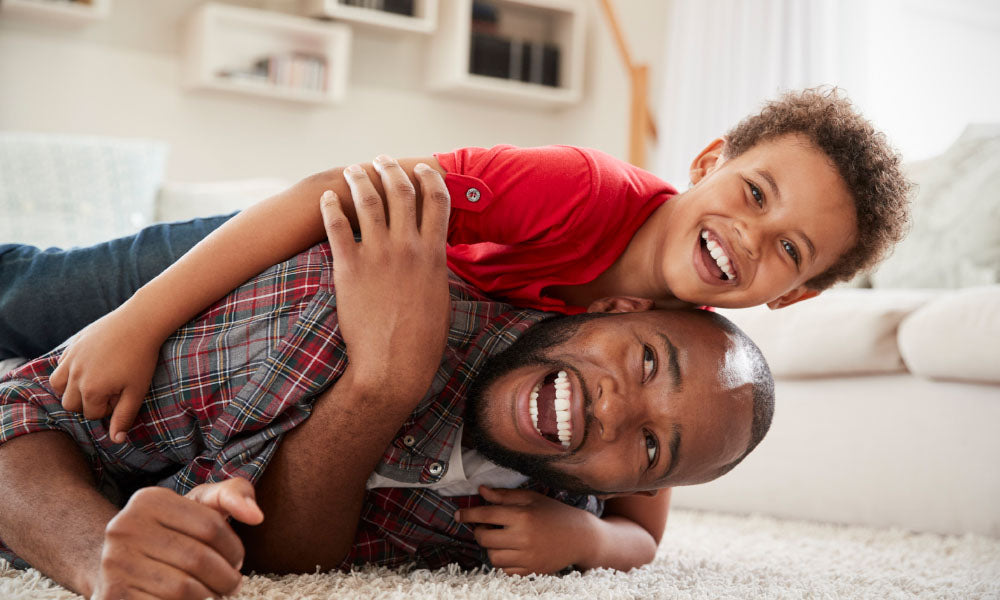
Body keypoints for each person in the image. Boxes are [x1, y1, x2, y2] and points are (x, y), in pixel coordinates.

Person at [0, 163, 773, 600]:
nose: (614, 411)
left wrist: (597, 539)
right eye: (644, 360)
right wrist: (92, 552)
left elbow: (292, 556)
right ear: (613, 306)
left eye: (649, 448)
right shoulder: (321, 306)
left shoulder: (541, 518)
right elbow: (19, 409)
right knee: (31, 290)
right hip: (230, 259)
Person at [5, 87, 907, 443]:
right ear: (708, 163)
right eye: (755, 193)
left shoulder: (685, 348)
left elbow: (643, 515)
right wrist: (135, 321)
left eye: (789, 249)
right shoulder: (578, 190)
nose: (751, 237)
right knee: (38, 295)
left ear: (794, 295)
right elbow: (326, 193)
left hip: (281, 349)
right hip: (254, 258)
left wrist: (594, 548)